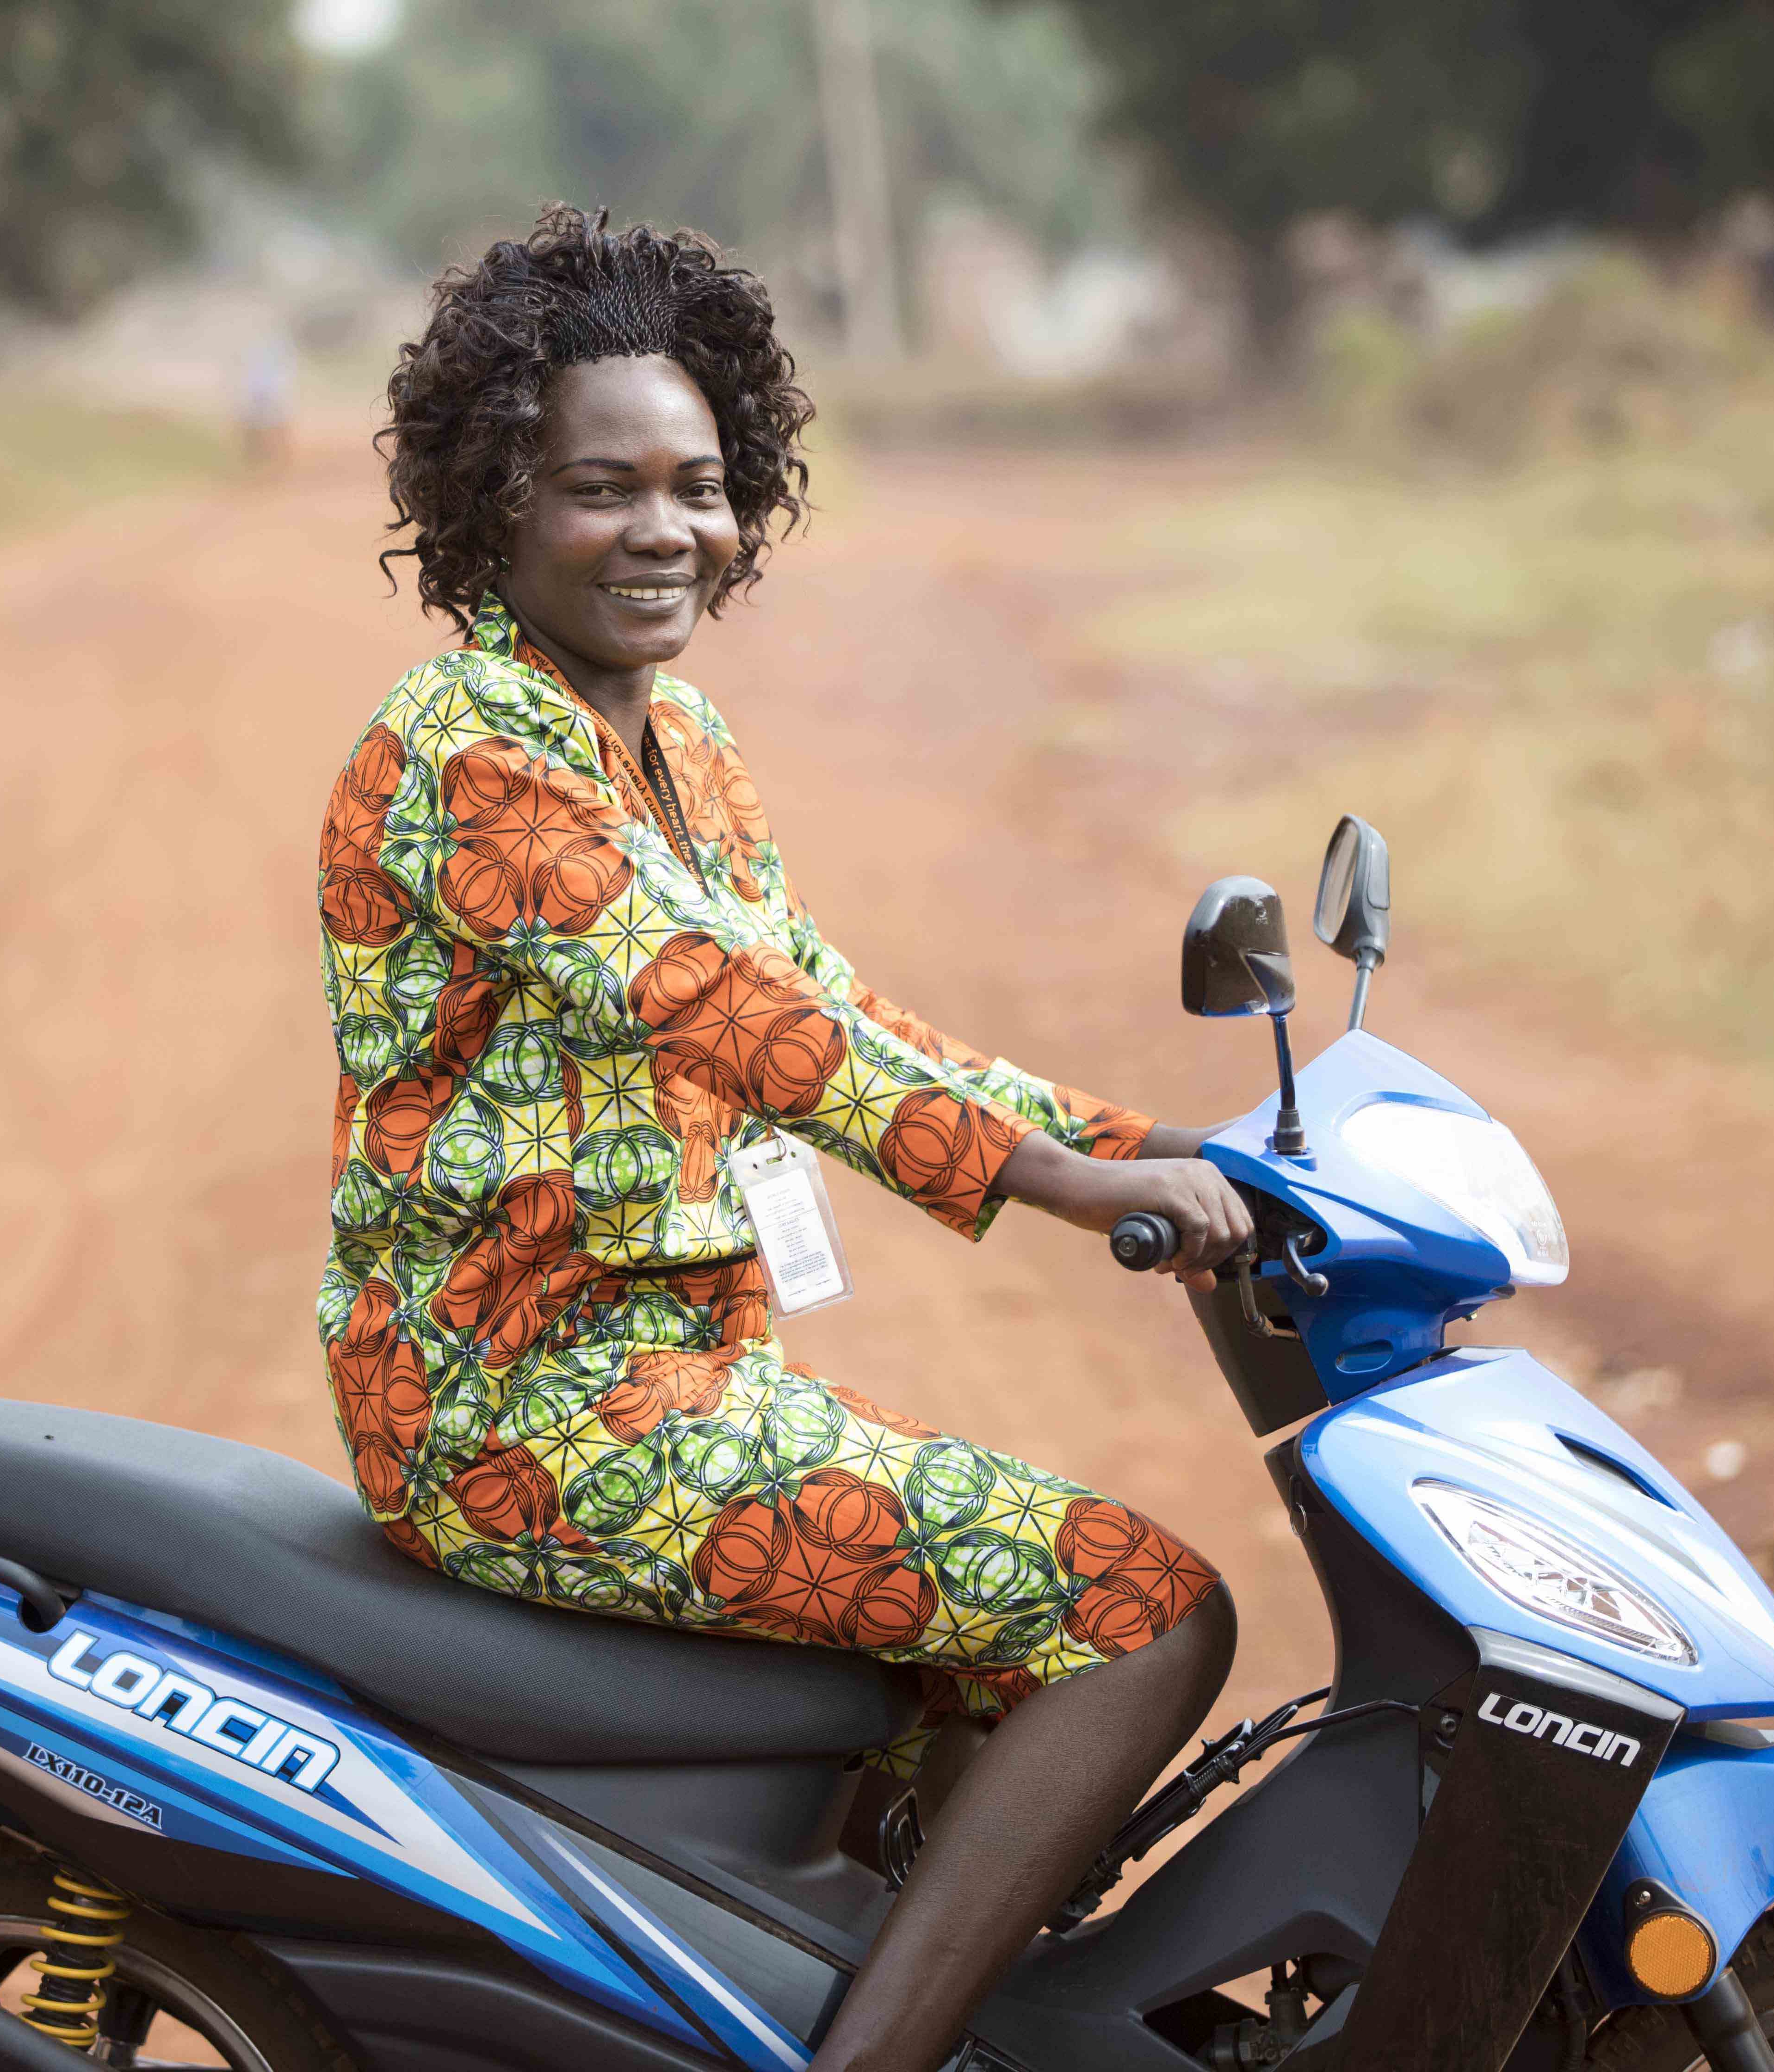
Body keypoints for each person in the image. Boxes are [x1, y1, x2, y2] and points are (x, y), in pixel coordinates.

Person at [315, 206, 1248, 2072]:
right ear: (494, 500)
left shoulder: (677, 739)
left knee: (965, 1672)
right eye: (602, 487)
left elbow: (840, 997)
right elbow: (734, 1019)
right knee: (1146, 1614)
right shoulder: (466, 750)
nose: (666, 528)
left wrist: (1178, 1137)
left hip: (680, 1374)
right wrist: (1061, 1189)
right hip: (528, 1406)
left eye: (701, 483)